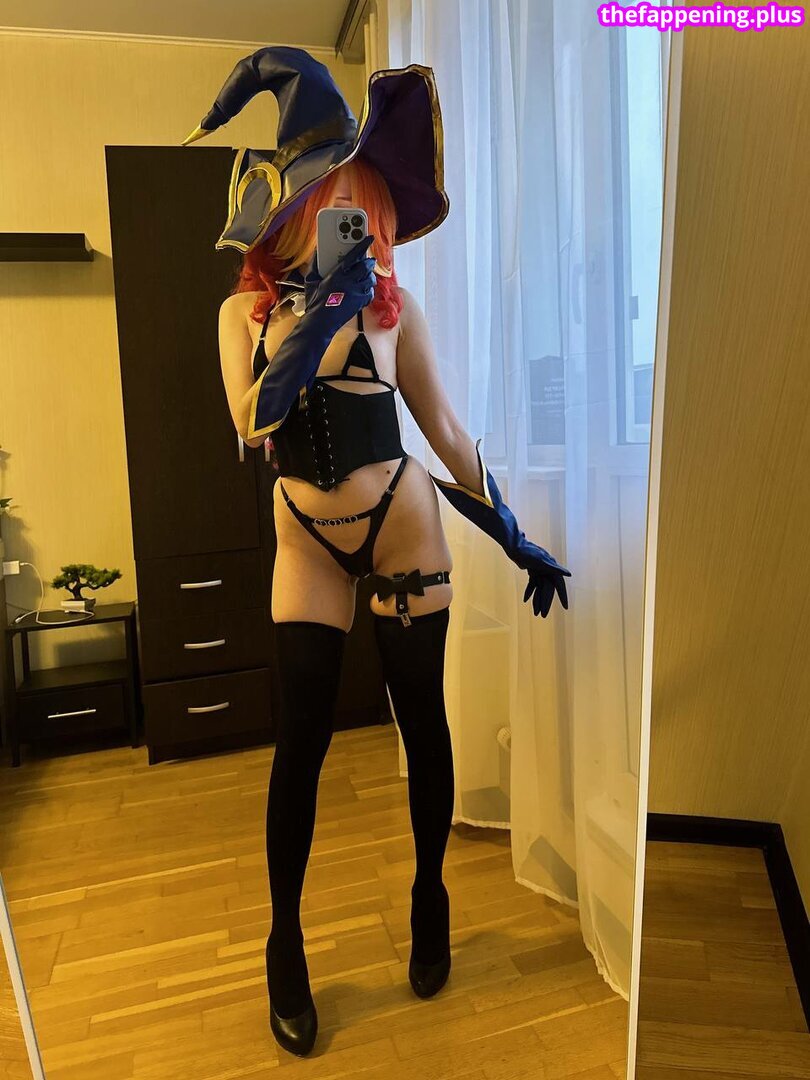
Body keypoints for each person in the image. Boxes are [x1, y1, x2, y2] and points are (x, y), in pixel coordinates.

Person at [185, 46, 571, 1058]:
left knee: (424, 725)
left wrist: (517, 535)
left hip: (405, 522)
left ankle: (430, 893)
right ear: (294, 213)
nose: (359, 222)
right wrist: (315, 316)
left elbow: (445, 434)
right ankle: (284, 941)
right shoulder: (240, 317)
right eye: (337, 203)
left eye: (366, 207)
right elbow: (249, 425)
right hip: (306, 539)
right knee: (300, 747)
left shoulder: (398, 314)